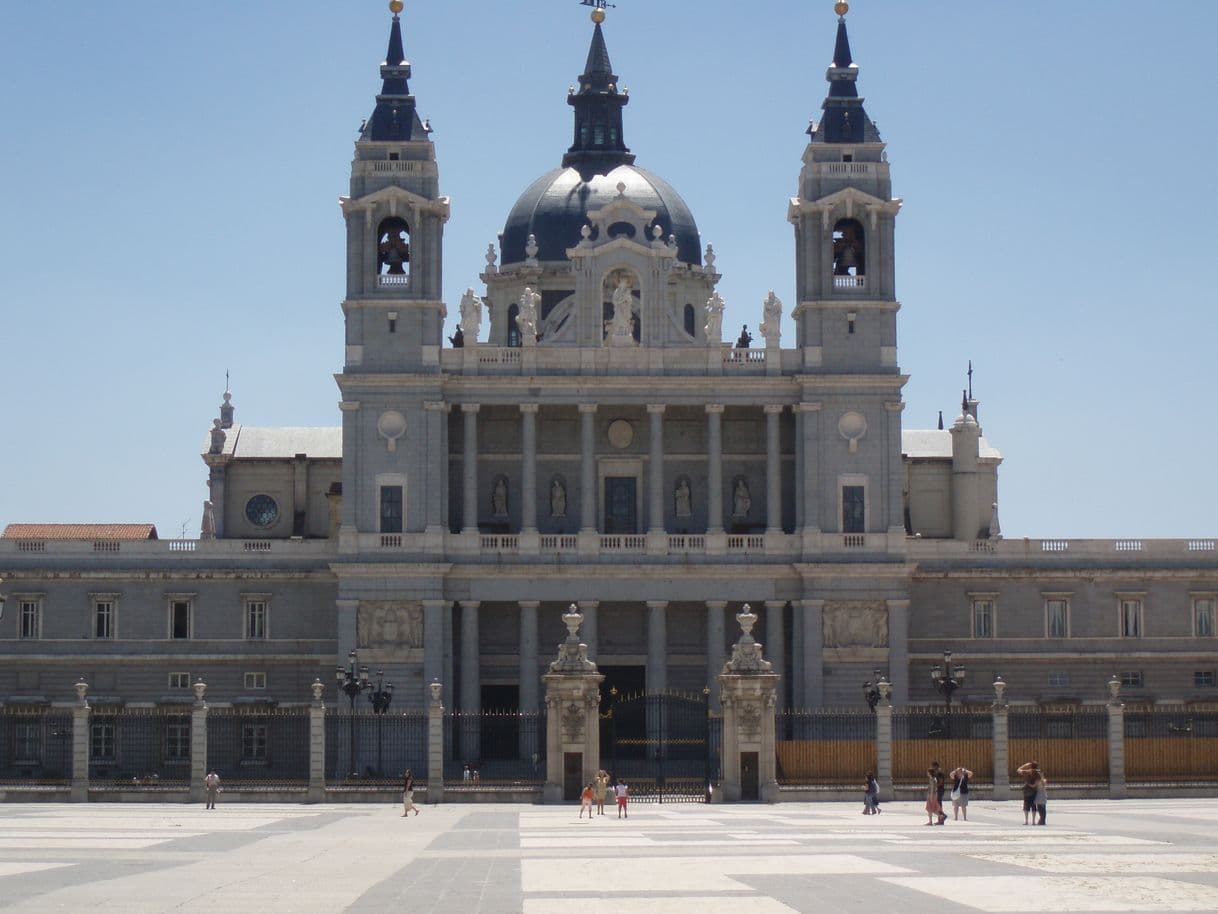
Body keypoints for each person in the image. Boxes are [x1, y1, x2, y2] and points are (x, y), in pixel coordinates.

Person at [1017, 761, 1040, 825]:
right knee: (1033, 805)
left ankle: (1026, 821)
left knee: (1026, 806)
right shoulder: (1037, 774)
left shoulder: (1027, 772)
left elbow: (1018, 770)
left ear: (1030, 766)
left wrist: (1025, 765)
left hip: (1026, 791)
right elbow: (1036, 784)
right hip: (1034, 791)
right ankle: (1033, 821)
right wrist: (1031, 785)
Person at [930, 760, 947, 825]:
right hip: (939, 790)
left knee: (938, 805)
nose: (932, 768)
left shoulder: (939, 773)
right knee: (939, 805)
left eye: (933, 766)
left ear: (936, 766)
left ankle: (943, 816)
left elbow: (940, 782)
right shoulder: (937, 773)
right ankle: (941, 820)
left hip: (939, 790)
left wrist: (934, 786)